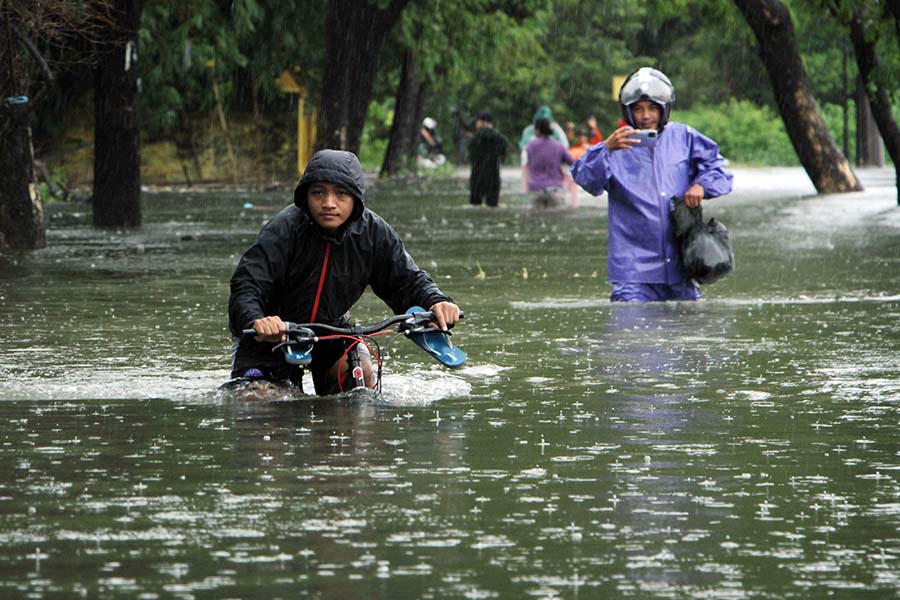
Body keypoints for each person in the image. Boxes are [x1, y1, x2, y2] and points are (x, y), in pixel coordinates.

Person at [228, 149, 461, 395]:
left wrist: (437, 301)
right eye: (318, 193)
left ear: (356, 198)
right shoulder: (283, 229)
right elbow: (246, 286)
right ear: (305, 195)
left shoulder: (374, 234)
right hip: (272, 338)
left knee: (361, 381)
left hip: (333, 332)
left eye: (340, 193)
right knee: (255, 401)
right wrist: (258, 320)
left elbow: (407, 282)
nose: (329, 203)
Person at [571, 67, 733, 303]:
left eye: (652, 108)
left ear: (664, 109)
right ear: (628, 111)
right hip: (633, 273)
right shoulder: (615, 146)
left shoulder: (685, 137)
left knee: (689, 336)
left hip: (681, 269)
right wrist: (604, 149)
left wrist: (702, 185)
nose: (645, 115)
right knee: (630, 334)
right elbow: (585, 178)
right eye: (638, 108)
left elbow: (719, 169)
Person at [523, 117, 575, 208]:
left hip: (536, 188)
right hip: (555, 188)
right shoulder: (559, 146)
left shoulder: (530, 145)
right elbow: (572, 162)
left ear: (537, 130)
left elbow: (528, 164)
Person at [468, 111, 509, 207]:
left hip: (477, 176)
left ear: (482, 122)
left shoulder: (475, 138)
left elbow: (471, 156)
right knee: (492, 206)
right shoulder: (500, 138)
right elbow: (503, 156)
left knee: (475, 205)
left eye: (477, 121)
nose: (476, 124)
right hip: (493, 177)